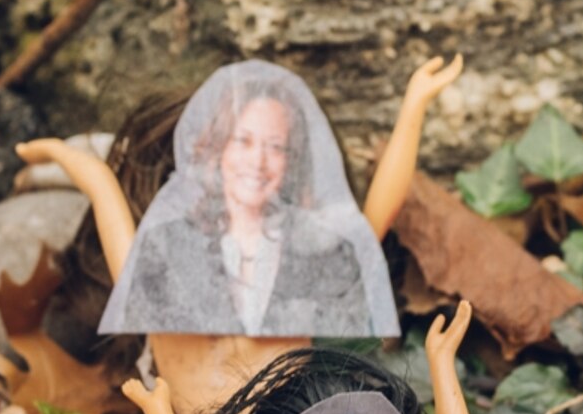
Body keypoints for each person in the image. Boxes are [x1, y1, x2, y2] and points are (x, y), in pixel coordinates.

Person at [101, 60, 395, 339]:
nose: (258, 161)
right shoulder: (169, 239)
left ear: (291, 161)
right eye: (243, 141)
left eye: (276, 147)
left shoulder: (321, 248)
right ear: (219, 149)